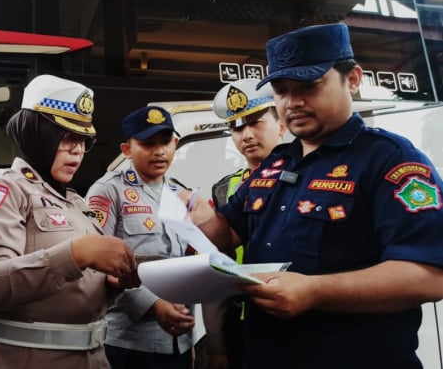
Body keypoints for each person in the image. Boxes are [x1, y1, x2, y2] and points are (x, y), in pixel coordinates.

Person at [184, 22, 443, 369]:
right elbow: (228, 234)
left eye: (308, 85)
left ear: (352, 79)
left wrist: (315, 291)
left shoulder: (391, 160)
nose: (292, 102)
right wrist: (197, 215)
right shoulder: (277, 162)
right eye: (281, 90)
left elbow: (430, 275)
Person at [0, 74, 138, 369]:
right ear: (37, 133)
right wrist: (77, 254)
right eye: (67, 137)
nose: (77, 150)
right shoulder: (4, 189)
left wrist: (113, 284)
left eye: (83, 140)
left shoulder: (76, 203)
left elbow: (74, 290)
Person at [85, 106, 195, 369]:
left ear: (176, 143)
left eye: (166, 142)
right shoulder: (108, 190)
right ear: (126, 150)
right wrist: (154, 304)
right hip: (127, 343)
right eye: (147, 144)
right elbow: (93, 266)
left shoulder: (181, 194)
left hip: (176, 343)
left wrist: (188, 341)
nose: (159, 151)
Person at [203, 78, 285, 369]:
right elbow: (217, 264)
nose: (246, 135)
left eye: (255, 122)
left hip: (286, 315)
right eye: (237, 127)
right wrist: (216, 344)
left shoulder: (304, 179)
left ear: (282, 125)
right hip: (236, 318)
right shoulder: (224, 189)